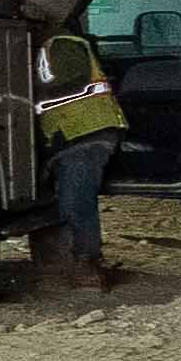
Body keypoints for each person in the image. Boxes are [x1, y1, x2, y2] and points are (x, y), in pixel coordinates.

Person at [32, 20, 129, 289]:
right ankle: (65, 264)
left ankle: (88, 265)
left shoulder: (61, 45)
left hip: (87, 132)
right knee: (61, 200)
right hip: (70, 136)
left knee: (76, 199)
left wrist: (18, 84)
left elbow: (70, 81)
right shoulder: (52, 46)